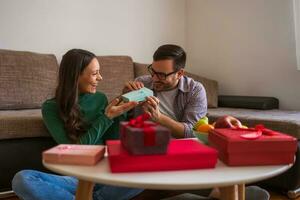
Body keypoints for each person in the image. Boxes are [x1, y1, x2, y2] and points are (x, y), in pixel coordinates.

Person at [12, 49, 143, 200]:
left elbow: (112, 142)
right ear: (75, 76)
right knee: (22, 179)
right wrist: (106, 117)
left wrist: (123, 108)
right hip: (77, 178)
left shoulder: (100, 98)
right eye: (94, 73)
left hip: (106, 172)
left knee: (148, 168)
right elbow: (73, 151)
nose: (100, 78)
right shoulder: (50, 108)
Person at [123, 44, 207, 139]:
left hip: (177, 145)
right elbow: (124, 118)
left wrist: (159, 118)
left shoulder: (195, 90)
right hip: (143, 142)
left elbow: (193, 133)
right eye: (153, 71)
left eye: (161, 75)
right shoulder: (142, 83)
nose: (154, 78)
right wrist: (124, 97)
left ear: (179, 73)